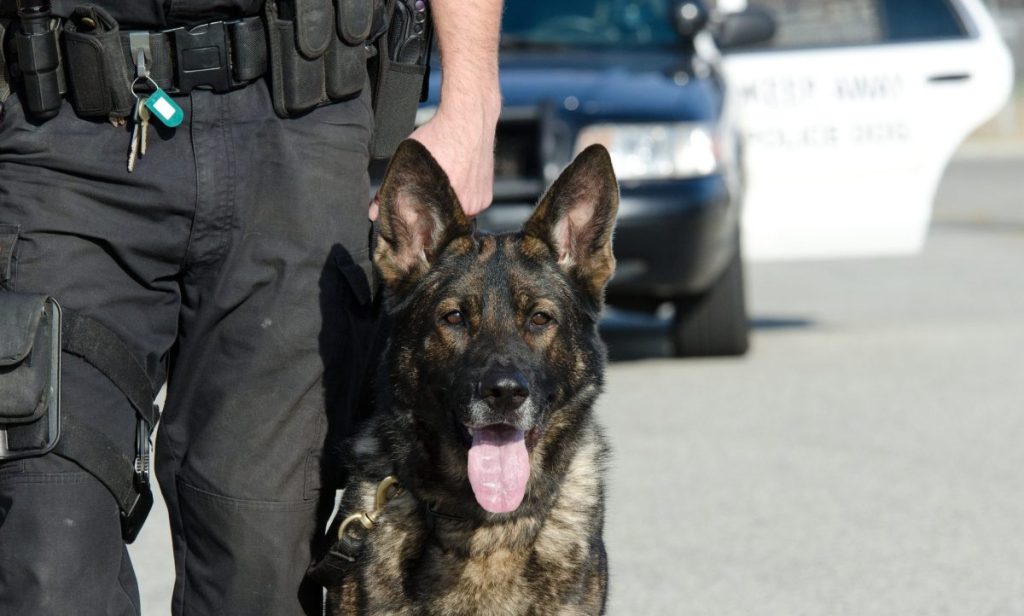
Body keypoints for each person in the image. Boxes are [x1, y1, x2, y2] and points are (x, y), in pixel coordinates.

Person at [0, 0, 501, 614]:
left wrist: (472, 97)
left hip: (300, 122)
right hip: (60, 132)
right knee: (44, 549)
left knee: (260, 565)